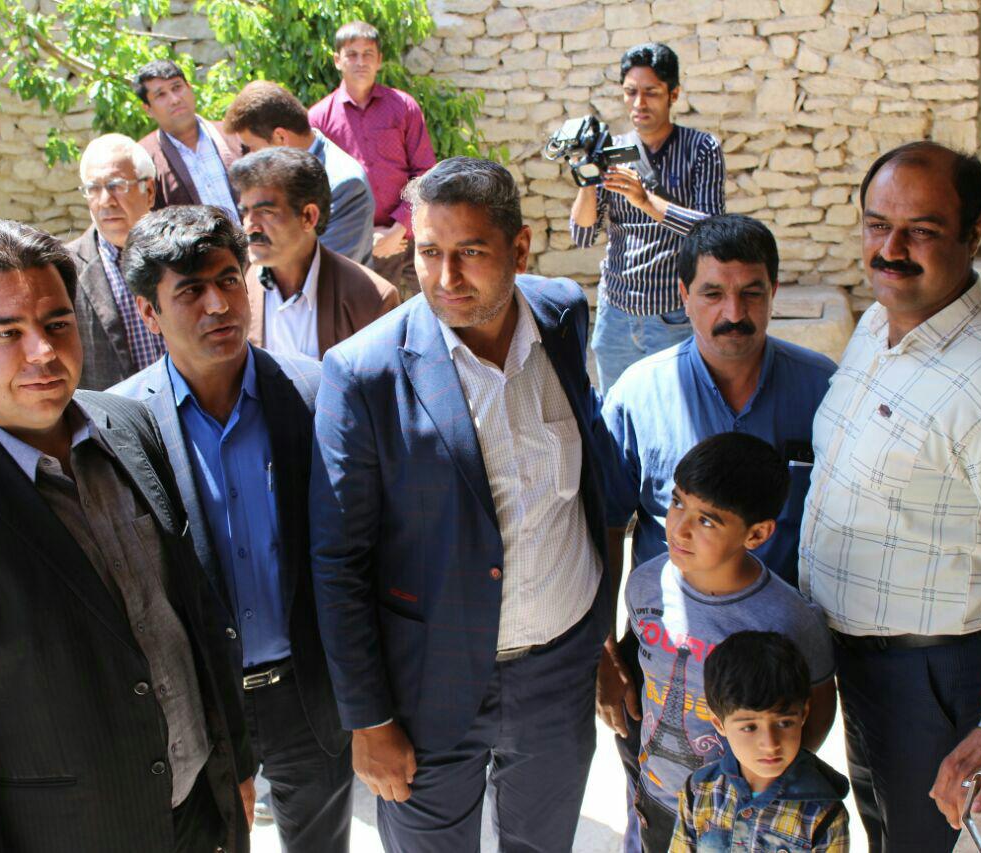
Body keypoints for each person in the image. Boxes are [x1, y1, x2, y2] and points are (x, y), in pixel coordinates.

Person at [0, 220, 255, 852]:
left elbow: (192, 611)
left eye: (57, 323)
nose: (42, 351)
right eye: (7, 332)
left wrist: (235, 767)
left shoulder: (128, 425)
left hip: (200, 811)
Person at [309, 157, 617, 851]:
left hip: (559, 668)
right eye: (428, 252)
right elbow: (338, 561)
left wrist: (598, 637)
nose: (445, 277)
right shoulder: (363, 372)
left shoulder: (562, 316)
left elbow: (589, 488)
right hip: (428, 687)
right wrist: (368, 719)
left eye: (470, 252)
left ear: (520, 248)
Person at [799, 141, 981, 851]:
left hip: (937, 682)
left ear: (974, 233)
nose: (890, 250)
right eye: (877, 225)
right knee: (888, 835)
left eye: (921, 230)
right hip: (864, 667)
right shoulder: (877, 326)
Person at [109, 206, 353, 852]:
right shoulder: (119, 426)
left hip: (308, 697)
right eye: (190, 291)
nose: (218, 305)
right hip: (199, 708)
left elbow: (354, 553)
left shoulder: (314, 391)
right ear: (149, 312)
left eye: (227, 280)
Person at [598, 216, 836, 851]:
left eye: (751, 293)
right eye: (712, 293)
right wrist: (604, 652)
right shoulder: (639, 395)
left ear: (774, 291)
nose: (734, 313)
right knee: (658, 815)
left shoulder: (825, 390)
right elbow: (605, 527)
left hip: (779, 676)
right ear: (683, 295)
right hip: (664, 656)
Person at [622, 433, 836, 852]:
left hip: (744, 819)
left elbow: (817, 712)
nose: (680, 528)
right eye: (678, 502)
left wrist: (764, 787)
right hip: (658, 799)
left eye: (707, 521)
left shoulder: (790, 619)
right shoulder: (645, 585)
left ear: (756, 534)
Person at [569, 43, 726, 393]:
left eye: (651, 92)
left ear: (674, 94)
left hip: (673, 315)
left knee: (676, 410)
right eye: (631, 92)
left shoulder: (702, 149)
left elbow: (713, 233)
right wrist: (587, 177)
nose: (639, 103)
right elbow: (582, 235)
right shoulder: (611, 151)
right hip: (616, 316)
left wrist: (646, 201)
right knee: (616, 412)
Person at [670, 631, 850, 853]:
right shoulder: (697, 790)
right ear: (718, 722)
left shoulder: (824, 815)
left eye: (784, 723)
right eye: (749, 727)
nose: (770, 743)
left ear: (803, 714)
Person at [228, 147, 398, 361]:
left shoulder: (371, 300)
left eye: (266, 212)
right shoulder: (235, 287)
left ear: (308, 216)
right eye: (245, 212)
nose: (250, 225)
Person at [309, 20, 436, 295]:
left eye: (368, 54)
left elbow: (425, 172)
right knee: (374, 317)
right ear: (337, 60)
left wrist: (398, 229)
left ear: (379, 60)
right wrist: (369, 238)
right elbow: (315, 189)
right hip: (358, 245)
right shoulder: (319, 119)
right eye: (352, 54)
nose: (360, 62)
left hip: (413, 237)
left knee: (434, 310)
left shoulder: (403, 107)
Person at [225, 80, 375, 265]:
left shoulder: (345, 184)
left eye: (251, 147)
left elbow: (324, 269)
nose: (249, 157)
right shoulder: (278, 177)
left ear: (280, 137)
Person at [66, 133, 165, 390]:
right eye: (93, 188)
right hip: (113, 413)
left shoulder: (180, 254)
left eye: (116, 185)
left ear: (149, 191)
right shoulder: (65, 271)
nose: (105, 201)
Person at [135, 59, 241, 221]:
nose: (174, 99)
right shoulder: (145, 159)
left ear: (190, 88)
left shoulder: (234, 134)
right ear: (148, 109)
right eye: (161, 95)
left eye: (177, 87)